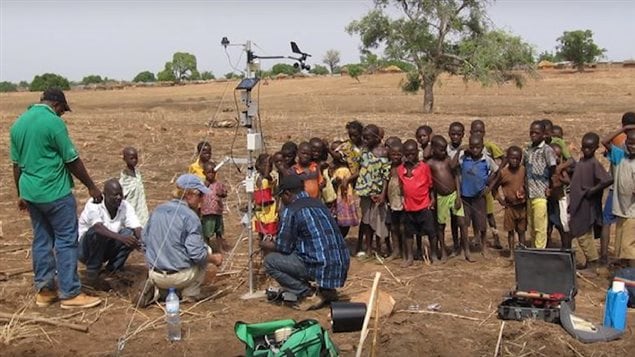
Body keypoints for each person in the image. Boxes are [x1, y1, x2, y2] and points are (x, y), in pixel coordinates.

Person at [10, 88, 102, 309]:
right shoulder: (54, 123)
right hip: (55, 192)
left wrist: (21, 194)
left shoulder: (19, 124)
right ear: (57, 105)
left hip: (31, 192)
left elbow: (16, 165)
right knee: (66, 240)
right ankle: (70, 293)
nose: (62, 115)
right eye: (62, 111)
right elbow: (72, 159)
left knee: (42, 240)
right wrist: (91, 187)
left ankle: (45, 291)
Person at [261, 175, 350, 310]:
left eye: (282, 197)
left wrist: (266, 244)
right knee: (310, 249)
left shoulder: (291, 210)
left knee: (270, 261)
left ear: (287, 193)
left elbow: (283, 248)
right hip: (341, 262)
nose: (282, 201)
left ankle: (308, 293)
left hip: (319, 264)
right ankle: (327, 290)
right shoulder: (319, 203)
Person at [137, 174, 223, 307]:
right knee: (206, 250)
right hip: (179, 277)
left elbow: (144, 242)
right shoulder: (191, 218)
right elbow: (197, 254)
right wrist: (214, 259)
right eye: (200, 195)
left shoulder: (157, 210)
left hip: (154, 273)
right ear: (190, 195)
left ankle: (159, 289)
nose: (202, 200)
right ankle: (190, 292)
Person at [78, 179, 142, 288]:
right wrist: (122, 239)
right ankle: (92, 272)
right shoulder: (94, 204)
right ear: (105, 195)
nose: (118, 198)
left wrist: (142, 242)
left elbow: (136, 227)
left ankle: (113, 269)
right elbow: (98, 228)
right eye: (115, 195)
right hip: (86, 250)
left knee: (129, 234)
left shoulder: (125, 206)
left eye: (120, 194)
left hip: (106, 247)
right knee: (98, 233)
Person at [568, 133, 612, 273]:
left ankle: (593, 262)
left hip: (586, 204)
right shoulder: (582, 161)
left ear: (595, 148)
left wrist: (592, 190)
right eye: (584, 147)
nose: (586, 150)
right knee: (580, 232)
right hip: (578, 203)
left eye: (589, 148)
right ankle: (589, 261)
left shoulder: (594, 163)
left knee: (583, 234)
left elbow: (607, 180)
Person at [428, 136, 471, 262]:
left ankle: (466, 249)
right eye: (441, 150)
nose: (444, 152)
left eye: (445, 149)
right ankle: (443, 251)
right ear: (433, 149)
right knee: (440, 225)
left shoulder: (447, 160)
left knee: (462, 223)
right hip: (441, 197)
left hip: (453, 195)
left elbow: (456, 176)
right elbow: (430, 184)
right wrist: (432, 198)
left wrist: (458, 195)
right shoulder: (429, 164)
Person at [600, 113, 635, 264]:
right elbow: (605, 141)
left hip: (632, 212)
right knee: (622, 245)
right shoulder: (621, 156)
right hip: (620, 207)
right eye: (630, 143)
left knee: (629, 246)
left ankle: (630, 275)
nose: (632, 146)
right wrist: (625, 129)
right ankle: (624, 270)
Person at [350, 124, 390, 258]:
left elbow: (386, 176)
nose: (365, 141)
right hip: (365, 192)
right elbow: (361, 169)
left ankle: (378, 248)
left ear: (376, 138)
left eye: (368, 138)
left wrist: (382, 194)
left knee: (378, 220)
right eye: (364, 138)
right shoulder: (364, 151)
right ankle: (368, 248)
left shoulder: (383, 153)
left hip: (378, 193)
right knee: (366, 221)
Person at [398, 139, 437, 267]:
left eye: (412, 153)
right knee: (409, 233)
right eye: (407, 153)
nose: (410, 156)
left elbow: (430, 185)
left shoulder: (424, 167)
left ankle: (434, 256)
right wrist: (403, 200)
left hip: (424, 205)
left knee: (431, 232)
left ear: (417, 152)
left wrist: (432, 199)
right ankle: (409, 257)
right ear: (403, 153)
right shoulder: (400, 170)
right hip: (409, 207)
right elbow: (401, 187)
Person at [458, 135, 499, 255]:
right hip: (465, 196)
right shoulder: (464, 158)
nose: (475, 150)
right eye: (472, 147)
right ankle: (465, 249)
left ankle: (484, 247)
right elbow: (454, 166)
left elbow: (497, 172)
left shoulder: (486, 159)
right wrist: (461, 150)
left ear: (482, 147)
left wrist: (490, 187)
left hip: (479, 197)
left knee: (481, 223)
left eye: (477, 147)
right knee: (464, 224)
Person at [470, 120, 504, 249]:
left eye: (480, 131)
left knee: (489, 213)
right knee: (475, 214)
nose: (478, 133)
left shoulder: (489, 146)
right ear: (470, 132)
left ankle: (496, 237)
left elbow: (503, 157)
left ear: (484, 132)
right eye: (475, 131)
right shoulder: (470, 147)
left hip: (486, 186)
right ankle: (477, 237)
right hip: (474, 186)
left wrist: (496, 173)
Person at [525, 120, 557, 249]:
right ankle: (534, 249)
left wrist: (551, 188)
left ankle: (539, 251)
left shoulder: (547, 150)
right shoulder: (529, 149)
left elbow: (553, 171)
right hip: (530, 194)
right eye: (531, 132)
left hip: (540, 194)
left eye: (537, 133)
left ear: (544, 134)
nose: (533, 135)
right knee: (532, 227)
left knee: (540, 227)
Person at [490, 146, 527, 259]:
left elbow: (526, 183)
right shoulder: (503, 173)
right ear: (507, 158)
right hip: (510, 207)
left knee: (521, 230)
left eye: (517, 158)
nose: (514, 161)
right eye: (512, 158)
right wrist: (500, 200)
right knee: (510, 231)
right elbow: (494, 187)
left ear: (520, 159)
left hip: (522, 206)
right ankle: (511, 252)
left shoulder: (523, 170)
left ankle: (522, 250)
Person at [329, 141, 359, 238]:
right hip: (333, 198)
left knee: (344, 222)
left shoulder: (346, 167)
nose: (335, 153)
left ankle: (341, 238)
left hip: (344, 198)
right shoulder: (332, 166)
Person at [201, 161, 228, 253]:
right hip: (207, 212)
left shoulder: (219, 184)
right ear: (204, 173)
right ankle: (207, 248)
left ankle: (220, 248)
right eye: (208, 172)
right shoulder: (202, 185)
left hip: (217, 211)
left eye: (213, 172)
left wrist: (222, 194)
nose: (211, 175)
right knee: (207, 232)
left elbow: (225, 193)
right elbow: (198, 194)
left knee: (219, 231)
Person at [119, 146, 149, 226]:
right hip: (131, 209)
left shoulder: (137, 173)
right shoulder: (125, 178)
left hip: (141, 209)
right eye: (131, 158)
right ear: (124, 159)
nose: (134, 160)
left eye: (136, 158)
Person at [386, 140, 405, 260]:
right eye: (393, 154)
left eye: (398, 154)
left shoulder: (403, 168)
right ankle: (396, 250)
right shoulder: (388, 167)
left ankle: (405, 251)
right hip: (391, 200)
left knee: (403, 226)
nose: (396, 157)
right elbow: (386, 182)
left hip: (402, 200)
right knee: (393, 226)